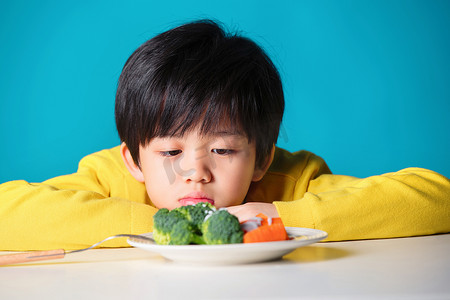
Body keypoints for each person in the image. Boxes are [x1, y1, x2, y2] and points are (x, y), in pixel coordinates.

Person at [1, 20, 449, 251]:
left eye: (223, 149)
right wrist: (158, 231)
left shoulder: (289, 182)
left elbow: (438, 197)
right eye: (171, 151)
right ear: (134, 160)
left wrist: (277, 217)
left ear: (261, 158)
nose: (195, 171)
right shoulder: (108, 179)